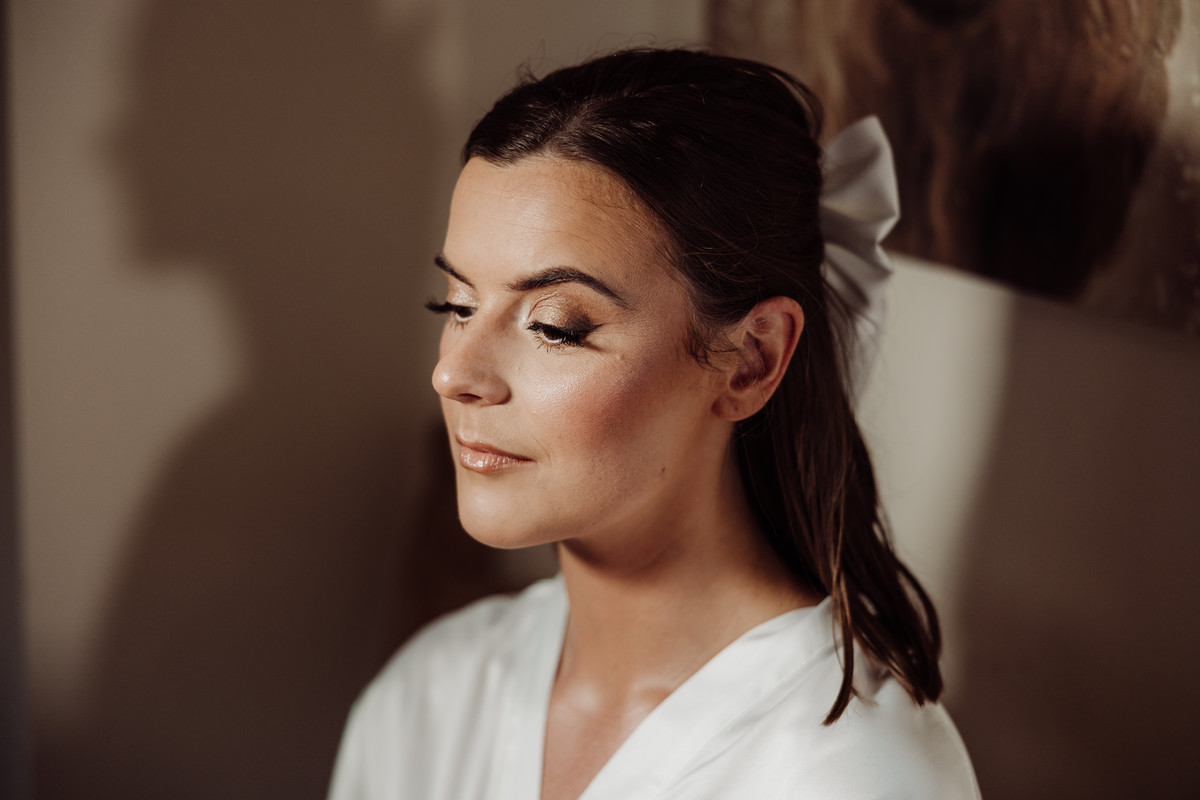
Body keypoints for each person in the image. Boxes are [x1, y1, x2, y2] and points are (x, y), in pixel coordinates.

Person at [328, 48, 980, 799]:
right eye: (459, 306)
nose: (454, 375)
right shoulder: (427, 701)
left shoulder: (856, 776)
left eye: (556, 325)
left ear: (750, 361)